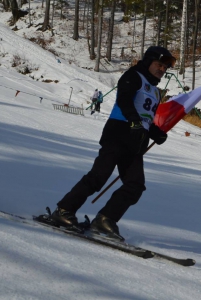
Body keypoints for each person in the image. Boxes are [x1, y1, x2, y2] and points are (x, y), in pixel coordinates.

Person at [50, 46, 176, 241]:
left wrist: (156, 133)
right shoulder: (133, 76)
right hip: (118, 134)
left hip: (135, 142)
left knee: (135, 185)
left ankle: (105, 219)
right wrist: (134, 121)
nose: (162, 69)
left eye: (165, 67)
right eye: (159, 65)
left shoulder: (155, 91)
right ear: (148, 62)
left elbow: (145, 118)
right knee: (98, 177)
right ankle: (64, 210)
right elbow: (124, 100)